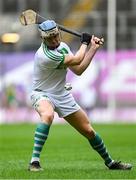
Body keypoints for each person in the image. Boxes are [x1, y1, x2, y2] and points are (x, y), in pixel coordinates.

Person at [28, 20, 132, 171]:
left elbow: (78, 69)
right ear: (43, 39)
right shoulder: (44, 55)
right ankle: (34, 162)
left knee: (89, 130)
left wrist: (92, 48)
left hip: (62, 94)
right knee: (48, 115)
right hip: (42, 93)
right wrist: (84, 42)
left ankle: (111, 163)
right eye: (51, 38)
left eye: (56, 35)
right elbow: (76, 59)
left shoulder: (63, 47)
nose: (55, 40)